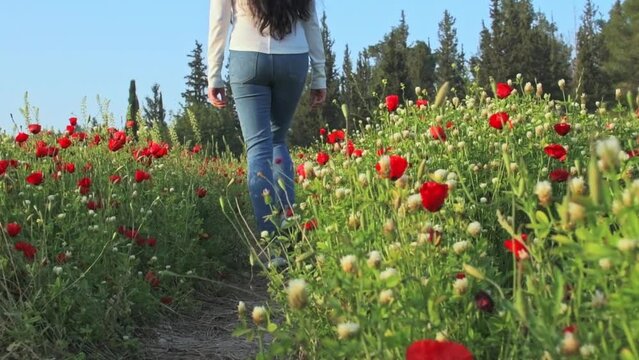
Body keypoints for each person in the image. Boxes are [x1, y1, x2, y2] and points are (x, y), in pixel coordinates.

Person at [207, 0, 327, 235]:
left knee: (258, 149)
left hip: (247, 57)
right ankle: (289, 230)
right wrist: (320, 75)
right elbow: (311, 22)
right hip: (293, 59)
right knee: (278, 141)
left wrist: (214, 75)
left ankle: (272, 243)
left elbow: (219, 20)